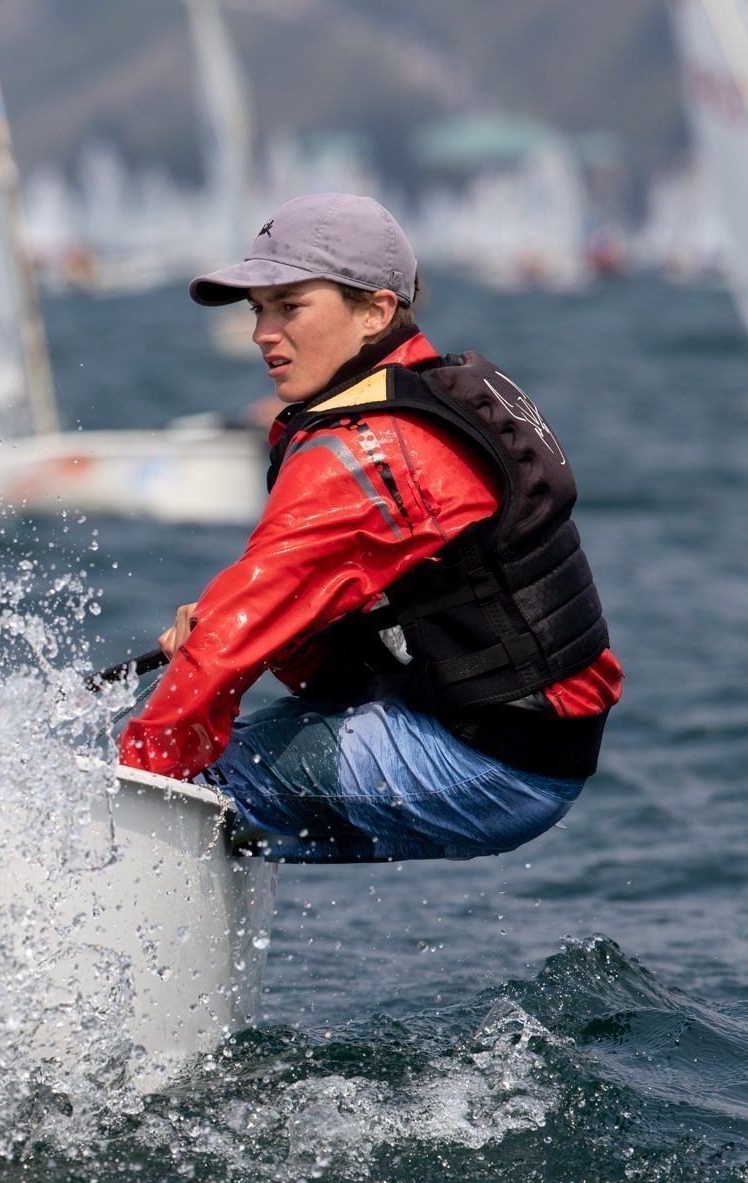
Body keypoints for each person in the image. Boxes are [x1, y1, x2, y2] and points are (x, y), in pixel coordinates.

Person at [118, 193, 621, 862]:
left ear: (375, 310)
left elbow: (222, 658)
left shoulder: (361, 457)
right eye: (258, 309)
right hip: (532, 751)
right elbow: (336, 655)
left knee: (190, 785)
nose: (263, 333)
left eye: (290, 306)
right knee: (224, 766)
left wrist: (128, 789)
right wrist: (239, 627)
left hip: (490, 765)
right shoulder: (428, 395)